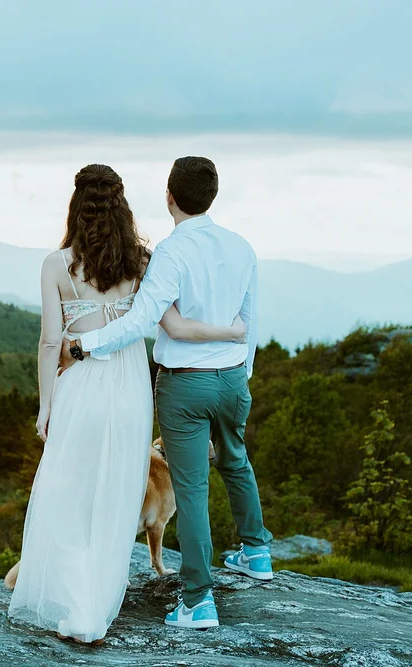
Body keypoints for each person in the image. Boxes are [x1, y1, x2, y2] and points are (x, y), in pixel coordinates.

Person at [7, 163, 245, 644]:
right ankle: (97, 601)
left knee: (72, 489)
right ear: (122, 207)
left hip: (81, 385)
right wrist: (233, 334)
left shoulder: (57, 265)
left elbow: (50, 342)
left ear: (76, 206)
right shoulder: (141, 260)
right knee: (117, 490)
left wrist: (44, 406)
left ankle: (76, 601)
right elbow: (170, 326)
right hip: (131, 385)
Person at [68, 156, 274, 630]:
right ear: (212, 195)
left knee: (192, 489)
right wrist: (242, 373)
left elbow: (141, 321)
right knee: (236, 459)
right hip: (232, 378)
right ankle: (257, 553)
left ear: (169, 196)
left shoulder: (171, 252)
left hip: (185, 385)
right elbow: (250, 320)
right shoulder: (243, 247)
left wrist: (86, 346)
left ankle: (198, 601)